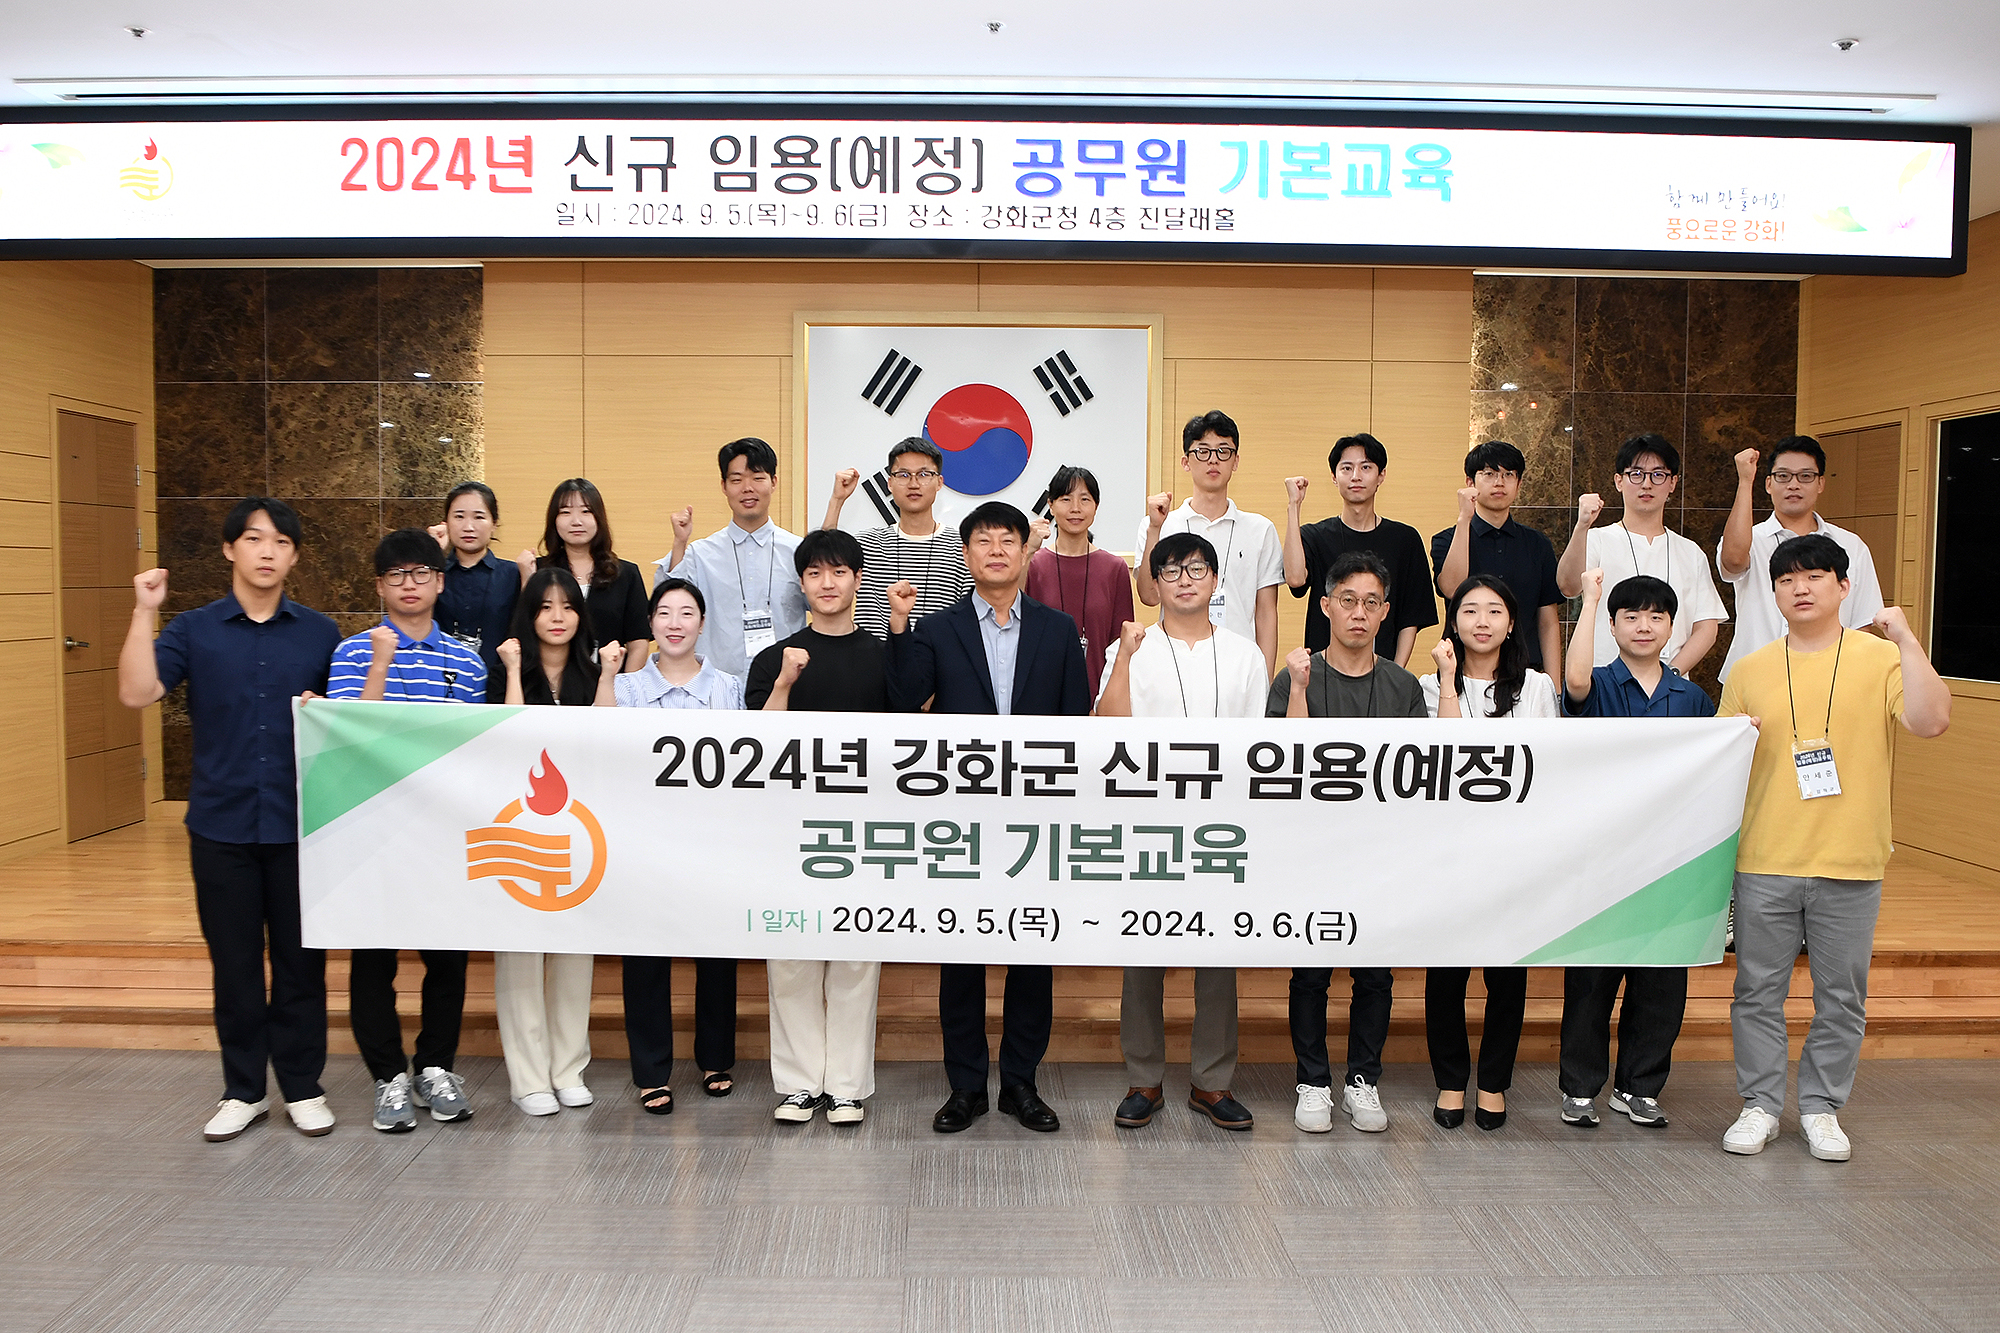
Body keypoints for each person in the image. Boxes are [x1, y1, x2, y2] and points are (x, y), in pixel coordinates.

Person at [1718, 533, 1949, 1161]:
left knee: (1841, 998)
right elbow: (1721, 767)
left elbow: (1932, 721)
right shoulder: (1750, 670)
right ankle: (1761, 1105)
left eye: (1815, 576)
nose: (1801, 588)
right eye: (1787, 579)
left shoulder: (1881, 660)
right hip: (1764, 858)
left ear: (1844, 587)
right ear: (1774, 593)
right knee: (1756, 993)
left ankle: (1821, 1108)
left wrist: (1907, 640)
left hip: (1851, 859)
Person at [116, 497, 342, 1142]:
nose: (267, 551)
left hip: (300, 826)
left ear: (294, 556)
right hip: (220, 825)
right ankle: (244, 1091)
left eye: (280, 542)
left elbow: (351, 719)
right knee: (235, 966)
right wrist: (144, 611)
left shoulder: (321, 634)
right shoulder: (193, 629)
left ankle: (303, 1088)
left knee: (301, 964)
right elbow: (136, 692)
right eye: (253, 538)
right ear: (229, 549)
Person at [885, 501, 1092, 1134]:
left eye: (1008, 540)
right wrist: (898, 628)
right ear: (966, 554)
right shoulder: (936, 628)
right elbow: (903, 705)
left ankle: (1021, 1083)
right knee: (962, 955)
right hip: (962, 821)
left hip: (1035, 821)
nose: (996, 550)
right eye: (983, 540)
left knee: (1031, 953)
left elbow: (1076, 723)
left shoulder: (1059, 630)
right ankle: (966, 1086)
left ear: (1027, 551)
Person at [1095, 533, 1267, 1133]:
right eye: (1170, 571)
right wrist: (1123, 656)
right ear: (1155, 584)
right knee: (1142, 952)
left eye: (1196, 569)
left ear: (1216, 581)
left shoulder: (1246, 655)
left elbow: (1258, 745)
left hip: (1221, 826)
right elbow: (1106, 728)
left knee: (1217, 954)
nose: (1185, 580)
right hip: (1149, 822)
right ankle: (1143, 1078)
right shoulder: (1133, 647)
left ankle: (1212, 1082)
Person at [327, 528, 488, 1133]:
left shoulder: (466, 660)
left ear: (440, 582)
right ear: (379, 585)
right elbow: (349, 738)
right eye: (396, 575)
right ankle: (387, 1077)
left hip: (442, 832)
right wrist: (381, 661)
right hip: (372, 830)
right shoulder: (351, 653)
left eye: (421, 573)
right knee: (373, 960)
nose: (409, 584)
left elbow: (473, 750)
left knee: (447, 958)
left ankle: (436, 1067)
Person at [1266, 551, 1427, 1135]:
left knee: (1375, 975)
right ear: (1326, 606)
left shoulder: (1404, 686)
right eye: (1348, 601)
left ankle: (1363, 1080)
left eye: (1371, 603)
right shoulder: (1295, 676)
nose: (1359, 613)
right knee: (1310, 975)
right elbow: (1284, 765)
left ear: (1385, 612)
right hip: (1311, 853)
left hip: (1380, 856)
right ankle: (1312, 1081)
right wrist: (1300, 688)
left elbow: (1419, 777)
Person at [1557, 570, 1717, 1130]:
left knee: (1660, 985)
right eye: (1631, 616)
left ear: (1672, 627)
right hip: (1601, 861)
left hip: (1672, 864)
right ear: (1612, 626)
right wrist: (1590, 597)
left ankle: (1639, 1088)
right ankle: (1580, 1089)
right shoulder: (1599, 683)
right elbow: (1573, 680)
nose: (1644, 626)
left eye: (1656, 616)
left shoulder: (1692, 697)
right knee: (1591, 984)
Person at [745, 529, 890, 1127]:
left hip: (864, 829)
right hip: (788, 829)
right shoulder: (772, 659)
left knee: (856, 957)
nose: (827, 584)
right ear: (801, 584)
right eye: (814, 574)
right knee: (793, 957)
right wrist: (785, 682)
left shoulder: (884, 656)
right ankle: (800, 1084)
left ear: (858, 579)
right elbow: (756, 747)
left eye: (839, 572)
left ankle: (848, 1086)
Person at [1418, 573, 1560, 1132]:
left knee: (1506, 978)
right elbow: (1444, 759)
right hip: (1448, 853)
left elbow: (1548, 766)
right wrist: (1448, 681)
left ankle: (1494, 1083)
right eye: (1470, 610)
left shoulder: (1537, 687)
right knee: (1446, 976)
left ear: (1511, 621)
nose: (1482, 621)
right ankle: (1451, 1080)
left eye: (1494, 610)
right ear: (1453, 622)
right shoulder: (1428, 687)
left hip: (1514, 854)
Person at [488, 568, 620, 1116]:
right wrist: (513, 670)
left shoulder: (593, 673)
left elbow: (609, 739)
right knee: (520, 956)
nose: (558, 617)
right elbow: (508, 738)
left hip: (581, 834)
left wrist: (609, 675)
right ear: (529, 615)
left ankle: (568, 1069)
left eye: (568, 606)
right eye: (545, 607)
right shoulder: (505, 672)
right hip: (517, 833)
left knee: (573, 955)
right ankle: (528, 1078)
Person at [613, 576, 745, 1114]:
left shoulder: (729, 689)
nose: (675, 623)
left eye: (686, 613)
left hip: (713, 842)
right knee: (645, 960)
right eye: (664, 613)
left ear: (702, 623)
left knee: (716, 956)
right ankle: (651, 1071)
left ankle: (715, 1059)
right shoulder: (624, 689)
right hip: (643, 842)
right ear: (650, 623)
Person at [1555, 434, 1727, 677]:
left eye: (1658, 475)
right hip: (1606, 681)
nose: (1646, 484)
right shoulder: (1596, 539)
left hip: (1670, 686)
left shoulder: (1690, 552)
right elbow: (1568, 586)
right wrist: (1582, 526)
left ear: (1673, 483)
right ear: (1619, 481)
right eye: (1636, 474)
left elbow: (1706, 627)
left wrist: (1670, 675)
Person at [1716, 435, 1886, 681]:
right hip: (1756, 678)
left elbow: (1862, 623)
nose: (1793, 485)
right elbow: (1732, 561)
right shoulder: (1750, 539)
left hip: (1829, 679)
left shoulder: (1851, 545)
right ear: (1768, 484)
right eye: (1783, 476)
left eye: (1805, 476)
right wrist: (1744, 481)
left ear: (1820, 483)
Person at [1135, 410, 1285, 677]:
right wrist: (1155, 530)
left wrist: (1265, 680)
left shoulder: (1260, 529)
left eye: (1223, 451)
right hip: (1174, 664)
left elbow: (1266, 614)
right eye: (1202, 451)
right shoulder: (1159, 524)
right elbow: (1149, 596)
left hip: (1239, 667)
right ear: (1185, 462)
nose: (1213, 459)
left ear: (1236, 461)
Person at [661, 438, 810, 683]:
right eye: (737, 479)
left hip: (785, 686)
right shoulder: (700, 554)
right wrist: (679, 543)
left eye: (757, 478)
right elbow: (668, 607)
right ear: (724, 486)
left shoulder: (797, 551)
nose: (747, 488)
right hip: (716, 687)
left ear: (774, 482)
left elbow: (824, 606)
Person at [1282, 433, 1437, 667]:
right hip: (1324, 673)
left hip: (1382, 671)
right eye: (1346, 468)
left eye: (1366, 467)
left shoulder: (1406, 539)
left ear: (1381, 475)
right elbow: (1295, 579)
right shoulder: (1315, 536)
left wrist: (1394, 673)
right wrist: (1294, 505)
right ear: (1334, 477)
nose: (1356, 476)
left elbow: (1410, 618)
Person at [1432, 440, 1564, 675]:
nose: (1499, 482)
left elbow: (1548, 622)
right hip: (1462, 670)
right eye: (1489, 474)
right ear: (1470, 483)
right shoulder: (1447, 539)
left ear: (1519, 484)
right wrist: (1464, 519)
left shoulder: (1538, 544)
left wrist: (1553, 686)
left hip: (1527, 671)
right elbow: (1451, 589)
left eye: (1508, 475)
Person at [820, 437, 973, 640]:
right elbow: (823, 562)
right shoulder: (868, 544)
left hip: (940, 658)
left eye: (924, 474)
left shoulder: (961, 547)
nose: (913, 484)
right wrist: (837, 500)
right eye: (903, 475)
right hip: (875, 658)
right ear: (890, 483)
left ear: (939, 483)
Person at [516, 478, 648, 672]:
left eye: (586, 511)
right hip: (548, 682)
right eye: (565, 512)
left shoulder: (626, 574)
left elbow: (638, 643)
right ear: (553, 520)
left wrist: (623, 686)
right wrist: (527, 581)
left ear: (599, 518)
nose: (576, 521)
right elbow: (521, 633)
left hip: (611, 681)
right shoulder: (537, 570)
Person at [1027, 464, 1136, 697]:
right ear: (1051, 505)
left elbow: (1121, 646)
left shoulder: (1114, 568)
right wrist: (1026, 553)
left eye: (1085, 499)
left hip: (1099, 700)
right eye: (1066, 499)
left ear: (1096, 506)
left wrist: (1106, 703)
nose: (1075, 508)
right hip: (1041, 700)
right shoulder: (1033, 565)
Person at [429, 480, 519, 684]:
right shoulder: (432, 573)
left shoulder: (513, 574)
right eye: (459, 516)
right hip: (438, 682)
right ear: (446, 523)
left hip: (497, 683)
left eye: (479, 517)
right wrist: (431, 554)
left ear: (494, 524)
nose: (468, 527)